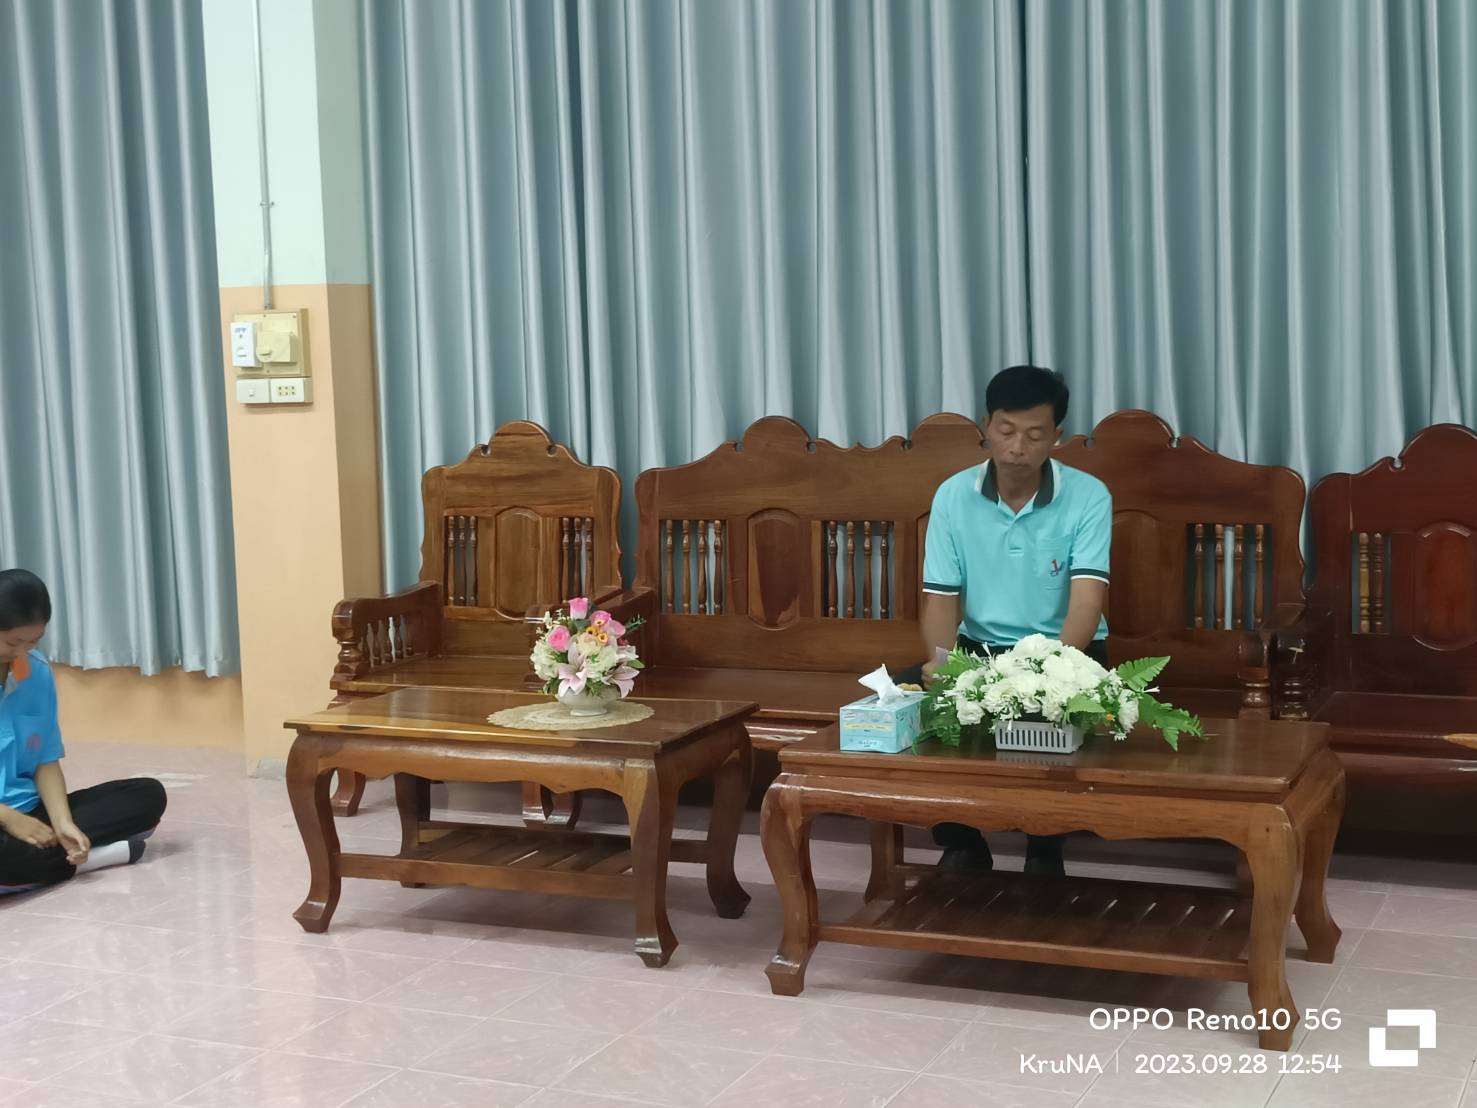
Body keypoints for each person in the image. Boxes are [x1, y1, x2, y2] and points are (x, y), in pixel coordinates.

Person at [920, 366, 1110, 876]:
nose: (1017, 447)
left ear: (1057, 437)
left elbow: (1086, 601)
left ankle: (1044, 848)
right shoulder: (953, 495)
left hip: (1066, 651)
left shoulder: (1089, 496)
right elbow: (940, 598)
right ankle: (962, 843)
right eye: (1005, 430)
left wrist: (1056, 671)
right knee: (925, 714)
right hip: (981, 648)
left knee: (1047, 725)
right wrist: (941, 664)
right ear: (986, 426)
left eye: (1034, 434)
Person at [0, 569, 166, 893]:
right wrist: (10, 819)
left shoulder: (35, 672)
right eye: (12, 642)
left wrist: (62, 822)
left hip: (33, 814)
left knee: (147, 795)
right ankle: (89, 860)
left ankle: (32, 867)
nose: (22, 652)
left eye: (33, 641)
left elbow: (45, 759)